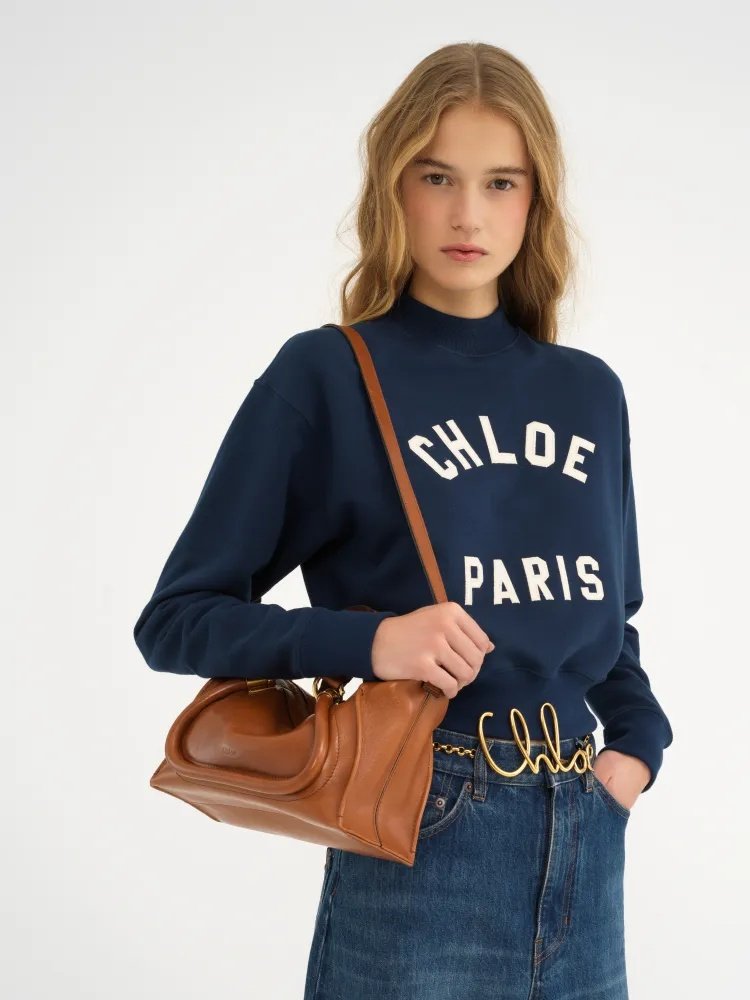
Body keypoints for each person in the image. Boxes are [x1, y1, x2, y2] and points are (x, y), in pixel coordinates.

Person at [133, 41, 673, 1000]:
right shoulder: (330, 375)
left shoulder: (589, 393)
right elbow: (176, 620)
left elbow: (607, 620)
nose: (469, 214)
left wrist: (636, 747)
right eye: (437, 177)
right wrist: (373, 641)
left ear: (536, 200)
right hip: (424, 825)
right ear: (393, 188)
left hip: (586, 836)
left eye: (500, 182)